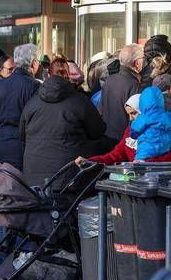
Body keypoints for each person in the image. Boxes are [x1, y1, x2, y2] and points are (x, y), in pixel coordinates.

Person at [20, 57, 106, 187]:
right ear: (68, 75)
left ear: (48, 74)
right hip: (69, 175)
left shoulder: (32, 103)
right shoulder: (80, 102)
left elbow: (22, 137)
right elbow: (98, 131)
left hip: (34, 175)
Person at [82, 87, 171, 166]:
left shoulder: (167, 129)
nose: (130, 118)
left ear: (143, 111)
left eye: (134, 113)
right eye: (128, 114)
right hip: (136, 180)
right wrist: (91, 161)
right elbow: (116, 155)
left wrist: (146, 163)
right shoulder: (130, 131)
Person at [0, 43, 41, 170]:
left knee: (3, 180)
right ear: (34, 63)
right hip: (25, 148)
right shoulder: (35, 86)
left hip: (1, 144)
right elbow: (37, 120)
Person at [97, 44, 143, 141]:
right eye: (143, 58)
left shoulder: (109, 80)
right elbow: (135, 118)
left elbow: (101, 110)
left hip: (107, 137)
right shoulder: (134, 85)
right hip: (124, 140)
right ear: (137, 63)